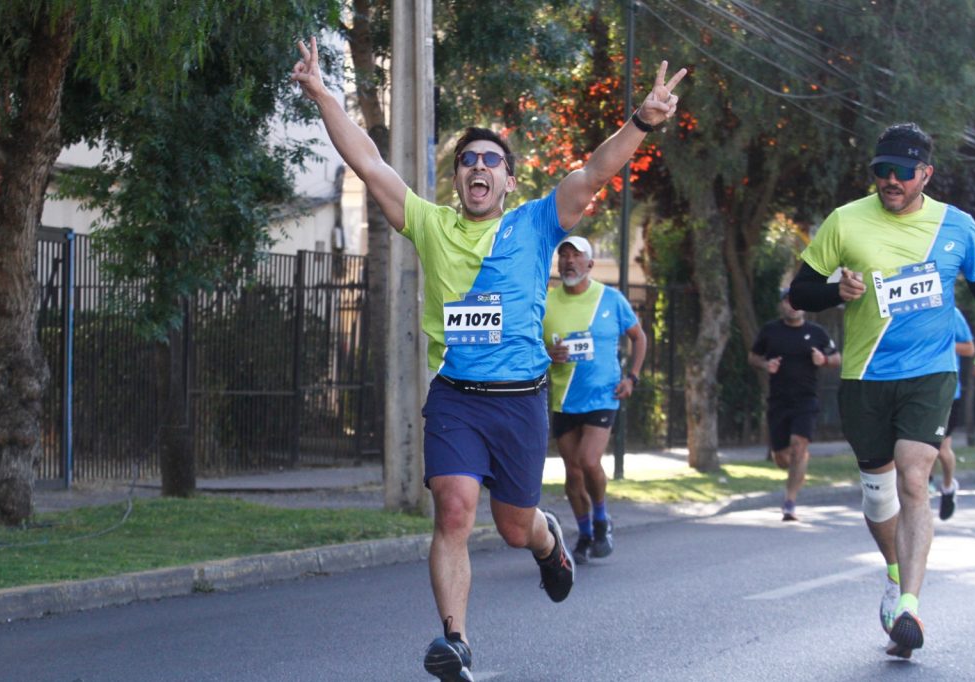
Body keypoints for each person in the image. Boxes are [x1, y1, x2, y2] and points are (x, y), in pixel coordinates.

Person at [292, 38, 686, 681]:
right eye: (468, 160)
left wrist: (642, 120)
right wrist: (321, 93)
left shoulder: (536, 223)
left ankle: (547, 539)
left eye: (491, 161)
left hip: (522, 400)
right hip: (456, 398)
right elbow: (367, 160)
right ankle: (456, 642)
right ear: (457, 179)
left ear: (508, 178)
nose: (478, 168)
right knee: (452, 509)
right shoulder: (429, 224)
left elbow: (594, 172)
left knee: (511, 527)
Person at [788, 122, 975, 659]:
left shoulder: (958, 226)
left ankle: (909, 606)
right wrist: (836, 288)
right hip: (864, 377)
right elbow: (799, 288)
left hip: (929, 371)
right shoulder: (845, 221)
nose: (891, 181)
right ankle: (894, 574)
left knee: (914, 475)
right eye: (882, 171)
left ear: (926, 173)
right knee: (878, 494)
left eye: (902, 172)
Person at [542, 235, 647, 564]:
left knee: (589, 461)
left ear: (590, 264)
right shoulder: (546, 303)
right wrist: (548, 354)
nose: (569, 261)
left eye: (577, 256)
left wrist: (632, 378)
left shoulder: (610, 299)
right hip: (564, 398)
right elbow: (530, 348)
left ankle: (602, 519)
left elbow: (638, 337)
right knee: (572, 474)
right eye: (564, 256)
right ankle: (585, 534)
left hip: (603, 394)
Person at [748, 288, 840, 522]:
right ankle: (798, 470)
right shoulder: (771, 331)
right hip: (778, 401)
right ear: (782, 305)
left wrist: (824, 360)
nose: (792, 306)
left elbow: (837, 358)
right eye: (788, 302)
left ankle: (789, 502)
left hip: (806, 399)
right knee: (781, 458)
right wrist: (765, 364)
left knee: (799, 445)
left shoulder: (816, 333)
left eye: (797, 302)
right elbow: (753, 356)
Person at [932, 308, 974, 520]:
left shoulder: (951, 312)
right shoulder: (904, 310)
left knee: (940, 449)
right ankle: (923, 484)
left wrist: (939, 345)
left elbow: (969, 348)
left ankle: (948, 486)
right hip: (914, 391)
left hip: (947, 392)